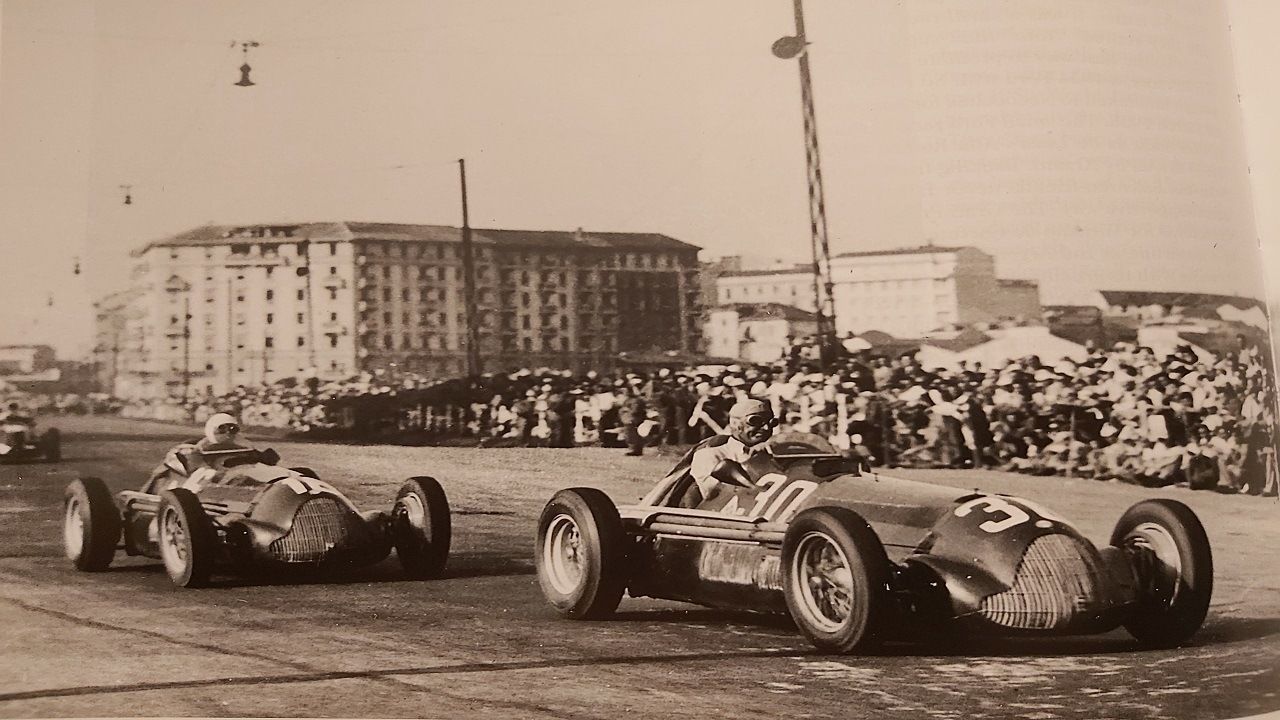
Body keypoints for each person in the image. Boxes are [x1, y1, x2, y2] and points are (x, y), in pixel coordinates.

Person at [675, 397, 778, 507]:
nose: (766, 428)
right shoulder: (709, 455)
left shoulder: (774, 453)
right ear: (734, 423)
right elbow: (714, 496)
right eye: (755, 421)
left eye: (771, 423)